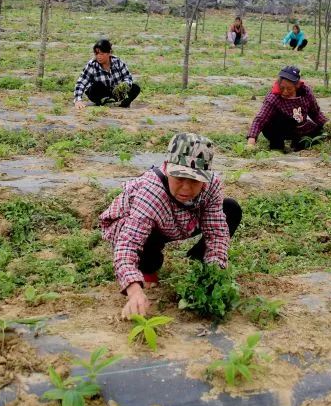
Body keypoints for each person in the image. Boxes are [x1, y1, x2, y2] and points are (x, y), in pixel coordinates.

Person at [100, 133, 242, 319]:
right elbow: (128, 245)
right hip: (135, 224)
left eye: (194, 181)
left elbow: (216, 234)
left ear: (205, 178)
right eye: (179, 178)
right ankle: (147, 268)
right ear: (167, 169)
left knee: (230, 208)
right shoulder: (151, 192)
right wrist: (134, 291)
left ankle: (200, 266)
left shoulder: (212, 186)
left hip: (180, 221)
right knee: (145, 238)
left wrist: (214, 275)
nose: (185, 188)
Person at [247, 65, 328, 151]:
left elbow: (315, 113)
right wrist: (251, 141)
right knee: (269, 124)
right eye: (282, 88)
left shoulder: (306, 92)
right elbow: (261, 118)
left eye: (289, 89)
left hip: (299, 128)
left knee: (320, 132)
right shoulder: (273, 97)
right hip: (279, 128)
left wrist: (328, 126)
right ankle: (277, 145)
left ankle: (298, 143)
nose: (285, 92)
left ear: (297, 85)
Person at [73, 38, 141, 109]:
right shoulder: (92, 65)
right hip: (101, 94)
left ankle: (121, 103)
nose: (98, 56)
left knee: (135, 88)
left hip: (116, 93)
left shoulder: (117, 62)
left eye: (101, 54)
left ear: (109, 53)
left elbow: (127, 77)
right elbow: (81, 82)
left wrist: (124, 85)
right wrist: (78, 100)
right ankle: (106, 102)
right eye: (96, 54)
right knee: (95, 87)